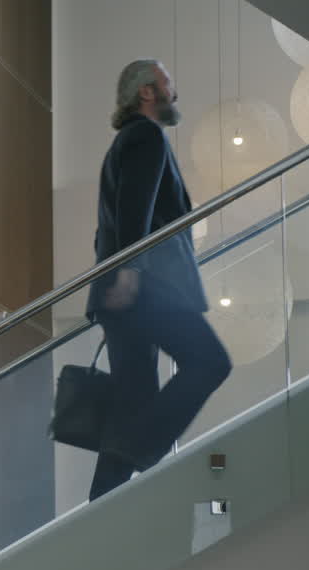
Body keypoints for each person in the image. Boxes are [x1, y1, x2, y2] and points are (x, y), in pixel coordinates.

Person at [85, 59, 232, 502]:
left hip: (121, 291)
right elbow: (136, 208)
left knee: (133, 405)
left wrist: (117, 277)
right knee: (210, 362)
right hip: (144, 286)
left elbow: (107, 229)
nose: (175, 93)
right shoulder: (146, 136)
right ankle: (139, 447)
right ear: (147, 92)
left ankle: (96, 517)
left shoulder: (122, 145)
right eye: (169, 84)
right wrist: (130, 271)